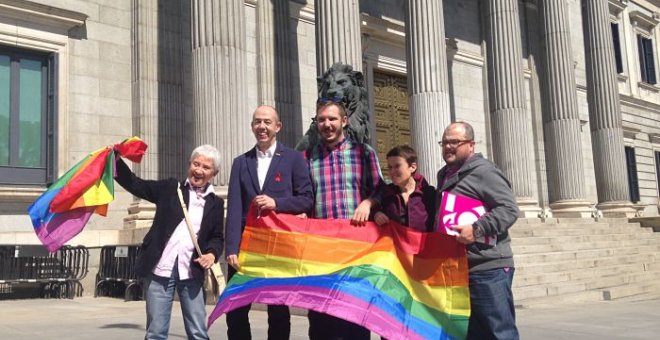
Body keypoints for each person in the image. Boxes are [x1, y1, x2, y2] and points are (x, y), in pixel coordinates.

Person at [114, 144, 224, 340]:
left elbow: (216, 236)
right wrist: (114, 160)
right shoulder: (170, 189)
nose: (198, 170)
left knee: (198, 331)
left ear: (214, 173)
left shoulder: (215, 203)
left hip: (191, 271)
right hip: (160, 270)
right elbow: (136, 184)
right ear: (189, 164)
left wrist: (212, 254)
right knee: (156, 332)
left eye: (205, 167)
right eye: (195, 164)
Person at [225, 105, 314, 340]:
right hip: (246, 247)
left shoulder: (294, 159)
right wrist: (231, 248)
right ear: (252, 126)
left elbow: (306, 199)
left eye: (267, 122)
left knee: (277, 310)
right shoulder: (240, 162)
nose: (261, 127)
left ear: (278, 126)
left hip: (278, 247)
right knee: (235, 309)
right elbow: (234, 207)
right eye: (257, 122)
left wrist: (278, 203)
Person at [305, 99, 384, 340]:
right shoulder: (308, 157)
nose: (327, 124)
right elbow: (304, 197)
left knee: (356, 314)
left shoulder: (364, 153)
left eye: (332, 119)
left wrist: (368, 203)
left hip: (356, 249)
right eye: (321, 120)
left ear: (344, 121)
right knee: (321, 318)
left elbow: (381, 189)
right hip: (322, 250)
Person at [436, 122, 520, 340]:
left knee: (498, 333)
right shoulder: (443, 174)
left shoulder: (485, 171)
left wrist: (477, 229)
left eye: (454, 142)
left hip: (488, 268)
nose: (448, 147)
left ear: (471, 145)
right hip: (461, 269)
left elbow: (509, 209)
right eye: (444, 142)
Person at [373, 145, 436, 232]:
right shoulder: (385, 193)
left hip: (424, 244)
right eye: (390, 167)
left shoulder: (429, 194)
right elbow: (372, 210)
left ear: (412, 167)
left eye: (397, 166)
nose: (392, 172)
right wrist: (376, 214)